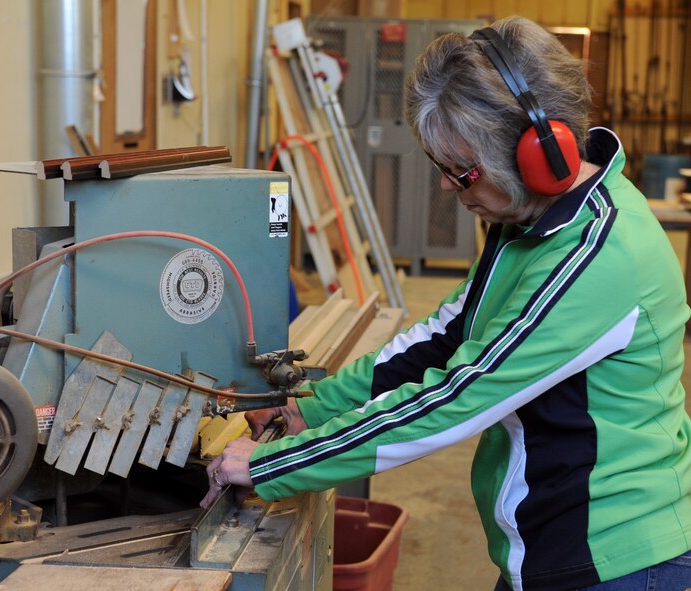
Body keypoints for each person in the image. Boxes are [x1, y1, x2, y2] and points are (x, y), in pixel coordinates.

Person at [201, 15, 691, 590]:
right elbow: (446, 336)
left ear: (536, 154)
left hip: (616, 558)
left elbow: (457, 396)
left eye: (461, 173)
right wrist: (310, 406)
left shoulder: (596, 256)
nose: (447, 188)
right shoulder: (531, 224)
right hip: (549, 548)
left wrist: (273, 464)